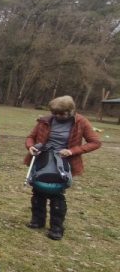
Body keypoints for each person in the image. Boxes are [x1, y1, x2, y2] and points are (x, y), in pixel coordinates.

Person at [24, 95, 101, 240]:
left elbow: (95, 142)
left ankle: (56, 228)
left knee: (56, 193)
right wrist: (31, 146)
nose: (57, 116)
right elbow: (30, 137)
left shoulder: (81, 122)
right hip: (43, 160)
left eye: (61, 114)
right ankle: (37, 221)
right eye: (55, 113)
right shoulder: (46, 120)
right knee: (38, 191)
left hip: (63, 163)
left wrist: (72, 151)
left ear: (71, 111)